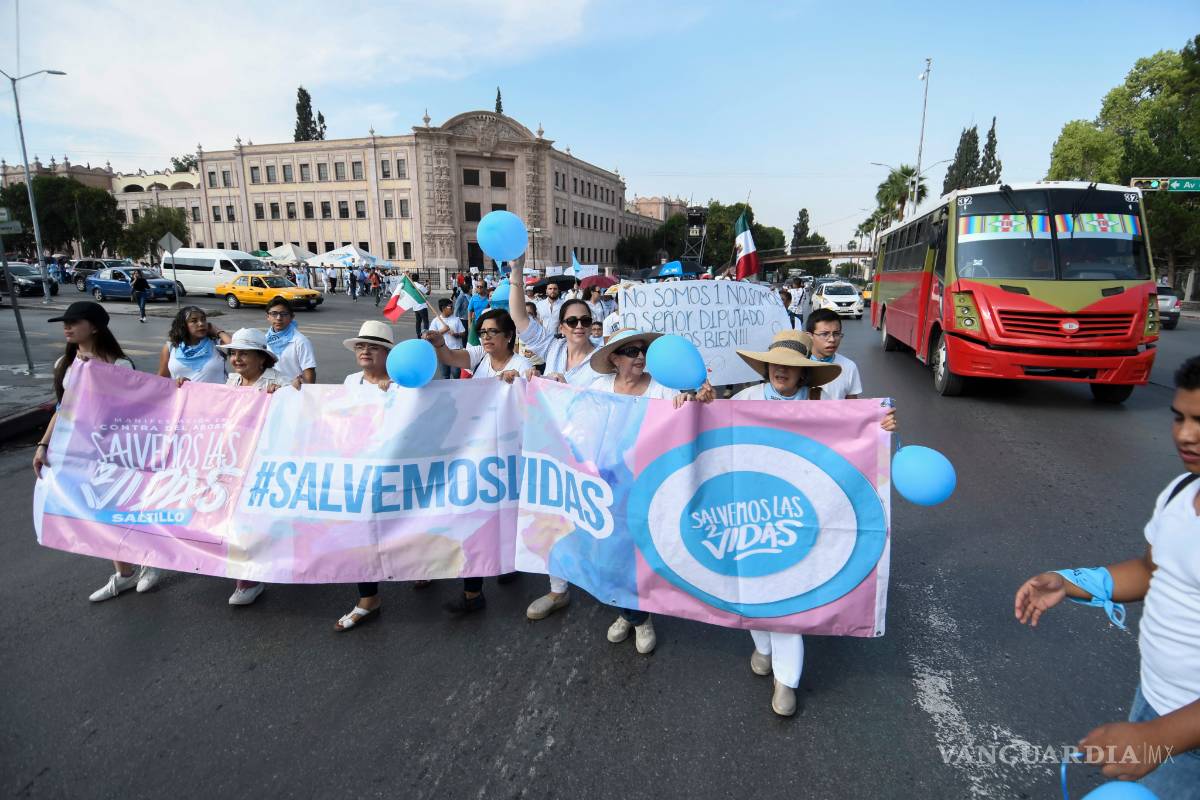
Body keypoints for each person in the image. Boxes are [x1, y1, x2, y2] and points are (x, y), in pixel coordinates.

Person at [1014, 357, 1200, 797]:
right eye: (1180, 418)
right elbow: (1152, 571)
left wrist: (1161, 738)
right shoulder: (1181, 491)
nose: (1186, 435)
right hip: (1156, 701)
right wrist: (1071, 582)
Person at [732, 330, 896, 716]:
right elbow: (699, 427)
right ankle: (763, 645)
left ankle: (786, 680)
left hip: (807, 513)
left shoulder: (826, 405)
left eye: (790, 366)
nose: (781, 370)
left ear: (804, 374)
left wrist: (885, 429)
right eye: (775, 363)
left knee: (788, 595)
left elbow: (869, 448)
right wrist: (692, 400)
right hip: (750, 509)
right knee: (752, 585)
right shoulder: (744, 400)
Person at [588, 329, 714, 653]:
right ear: (614, 358)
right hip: (607, 485)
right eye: (630, 351)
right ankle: (629, 613)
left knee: (640, 554)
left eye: (642, 350)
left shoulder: (662, 389)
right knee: (611, 556)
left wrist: (691, 400)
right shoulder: (597, 388)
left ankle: (639, 617)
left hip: (648, 484)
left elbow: (686, 415)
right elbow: (572, 415)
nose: (640, 356)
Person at [32, 301, 161, 600]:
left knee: (127, 507)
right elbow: (63, 409)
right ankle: (123, 572)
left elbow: (136, 411)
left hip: (118, 451)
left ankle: (149, 561)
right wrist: (43, 445)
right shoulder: (64, 365)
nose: (67, 327)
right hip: (79, 451)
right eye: (65, 323)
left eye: (74, 322)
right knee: (98, 512)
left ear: (94, 326)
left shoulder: (118, 365)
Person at [509, 257, 605, 620]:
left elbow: (615, 400)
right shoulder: (551, 350)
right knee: (553, 518)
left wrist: (570, 391)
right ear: (561, 326)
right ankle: (558, 590)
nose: (580, 326)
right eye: (572, 321)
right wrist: (517, 272)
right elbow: (519, 319)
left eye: (585, 321)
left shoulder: (604, 359)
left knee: (595, 523)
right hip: (549, 449)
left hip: (589, 453)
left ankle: (613, 595)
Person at [424, 309, 532, 614]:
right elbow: (450, 358)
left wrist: (516, 382)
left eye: (491, 332)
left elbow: (529, 401)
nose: (485, 337)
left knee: (506, 511)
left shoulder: (521, 365)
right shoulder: (479, 356)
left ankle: (509, 560)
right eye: (482, 332)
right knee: (475, 515)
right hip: (476, 453)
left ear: (508, 335)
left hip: (508, 453)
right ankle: (474, 592)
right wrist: (437, 344)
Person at [219, 328, 295, 605]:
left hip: (266, 464)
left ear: (262, 358)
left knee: (258, 521)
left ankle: (252, 576)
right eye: (233, 353)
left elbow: (296, 424)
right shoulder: (230, 382)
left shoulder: (282, 384)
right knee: (237, 520)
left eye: (243, 354)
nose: (236, 359)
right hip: (234, 461)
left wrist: (285, 398)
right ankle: (247, 578)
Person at [334, 321, 399, 631]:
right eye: (360, 346)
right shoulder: (350, 381)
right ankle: (368, 598)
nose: (364, 351)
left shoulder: (404, 381)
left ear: (387, 353)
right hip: (360, 469)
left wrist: (395, 393)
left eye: (372, 347)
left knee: (408, 526)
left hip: (398, 469)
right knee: (361, 532)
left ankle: (423, 568)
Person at [156, 306, 231, 384]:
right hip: (182, 395)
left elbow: (236, 348)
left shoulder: (215, 343)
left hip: (216, 395)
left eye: (203, 319)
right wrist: (176, 382)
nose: (201, 324)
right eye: (194, 321)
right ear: (183, 325)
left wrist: (218, 331)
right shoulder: (171, 347)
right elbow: (162, 378)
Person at [805, 308, 864, 399]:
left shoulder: (849, 367)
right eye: (824, 334)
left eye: (836, 334)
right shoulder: (797, 366)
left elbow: (852, 407)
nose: (832, 339)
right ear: (810, 336)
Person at [263, 297, 316, 384]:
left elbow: (309, 373)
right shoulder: (264, 340)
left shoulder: (300, 341)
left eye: (283, 314)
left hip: (293, 392)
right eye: (274, 314)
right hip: (270, 390)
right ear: (268, 317)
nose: (278, 318)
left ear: (292, 317)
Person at [430, 298, 465, 379]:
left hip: (455, 351)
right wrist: (442, 331)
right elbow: (431, 337)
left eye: (452, 306)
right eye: (450, 307)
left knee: (456, 373)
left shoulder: (456, 319)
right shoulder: (436, 321)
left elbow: (463, 333)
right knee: (445, 375)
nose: (453, 308)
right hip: (442, 351)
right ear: (443, 308)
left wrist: (456, 334)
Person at [467, 282, 491, 346]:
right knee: (475, 343)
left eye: (481, 287)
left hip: (487, 325)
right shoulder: (474, 298)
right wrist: (469, 324)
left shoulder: (489, 298)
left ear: (485, 288)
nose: (479, 288)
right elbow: (469, 311)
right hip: (476, 324)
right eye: (478, 287)